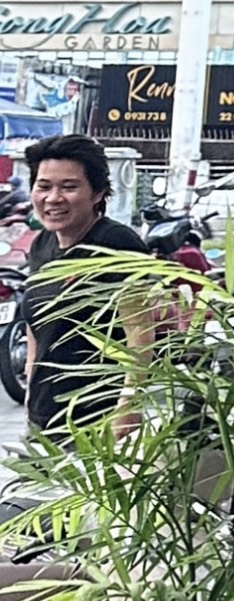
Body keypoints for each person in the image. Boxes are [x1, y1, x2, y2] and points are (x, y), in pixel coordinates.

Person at [20, 135, 145, 437]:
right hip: (44, 417)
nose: (53, 198)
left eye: (69, 187)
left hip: (97, 420)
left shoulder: (116, 244)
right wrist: (29, 383)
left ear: (97, 193)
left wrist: (129, 405)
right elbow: (37, 322)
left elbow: (141, 332)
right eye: (44, 186)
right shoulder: (42, 244)